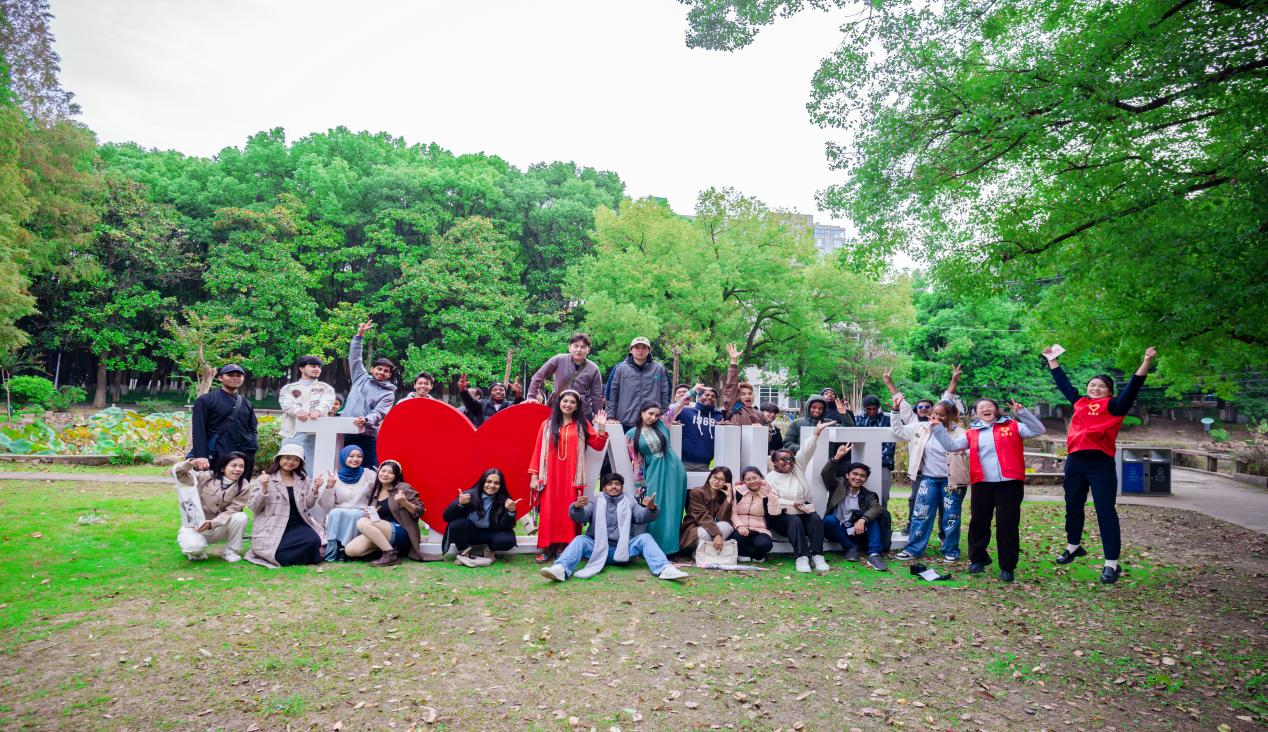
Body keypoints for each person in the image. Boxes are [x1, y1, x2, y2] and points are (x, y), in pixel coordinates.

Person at [1046, 346, 1156, 584]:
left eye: (1101, 386)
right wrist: (1052, 360)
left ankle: (1111, 564)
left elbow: (1134, 386)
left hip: (1100, 464)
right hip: (1075, 461)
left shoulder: (1115, 405)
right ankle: (1073, 546)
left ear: (1109, 391)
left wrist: (1146, 360)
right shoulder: (1079, 402)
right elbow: (1063, 384)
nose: (1095, 388)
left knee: (1105, 512)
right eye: (1092, 385)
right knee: (1073, 505)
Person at [930, 398, 1046, 582]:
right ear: (976, 413)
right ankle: (978, 559)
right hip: (982, 483)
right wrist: (937, 429)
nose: (985, 409)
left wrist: (1022, 413)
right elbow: (951, 446)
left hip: (1009, 483)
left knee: (1007, 525)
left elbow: (1039, 430)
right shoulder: (972, 432)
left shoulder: (1013, 426)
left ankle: (1007, 566)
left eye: (989, 406)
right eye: (981, 407)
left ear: (996, 409)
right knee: (979, 522)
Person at [539, 474, 688, 582]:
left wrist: (651, 508)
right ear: (604, 488)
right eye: (610, 484)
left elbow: (642, 516)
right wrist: (577, 507)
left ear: (622, 487)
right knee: (580, 539)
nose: (614, 486)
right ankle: (561, 569)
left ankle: (664, 569)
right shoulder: (595, 502)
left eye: (617, 484)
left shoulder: (630, 502)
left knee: (645, 538)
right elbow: (580, 517)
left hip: (623, 550)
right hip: (597, 548)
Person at [528, 389, 610, 563]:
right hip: (550, 476)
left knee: (569, 512)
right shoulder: (547, 425)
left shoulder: (581, 425)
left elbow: (598, 445)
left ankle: (565, 548)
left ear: (577, 406)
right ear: (559, 403)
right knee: (549, 512)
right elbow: (537, 450)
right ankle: (548, 548)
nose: (568, 404)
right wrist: (534, 476)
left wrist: (602, 426)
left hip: (572, 477)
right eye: (565, 401)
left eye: (572, 402)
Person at [891, 400, 968, 562]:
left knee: (951, 516)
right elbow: (898, 430)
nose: (937, 418)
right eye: (935, 414)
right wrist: (896, 411)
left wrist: (965, 454)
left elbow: (968, 451)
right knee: (921, 514)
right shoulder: (921, 427)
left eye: (942, 415)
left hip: (952, 481)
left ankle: (951, 550)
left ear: (951, 416)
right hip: (928, 478)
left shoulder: (961, 433)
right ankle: (913, 549)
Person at [245, 444, 333, 568]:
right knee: (277, 555)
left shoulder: (302, 479)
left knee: (314, 541)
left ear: (300, 463)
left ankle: (296, 556)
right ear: (279, 458)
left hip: (297, 523)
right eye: (287, 458)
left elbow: (307, 505)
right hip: (273, 524)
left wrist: (315, 488)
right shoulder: (265, 478)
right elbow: (254, 507)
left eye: (296, 459)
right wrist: (264, 488)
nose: (291, 462)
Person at [767, 420, 834, 573]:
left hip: (802, 509)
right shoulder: (770, 478)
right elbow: (773, 500)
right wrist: (792, 503)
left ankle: (817, 555)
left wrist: (816, 433)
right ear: (774, 463)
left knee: (816, 519)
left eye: (790, 459)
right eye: (783, 460)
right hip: (781, 515)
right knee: (795, 520)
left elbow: (806, 451)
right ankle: (802, 557)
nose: (788, 462)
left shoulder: (797, 468)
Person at [627, 401, 689, 554]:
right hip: (653, 470)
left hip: (674, 469)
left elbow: (676, 407)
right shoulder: (631, 434)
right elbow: (637, 461)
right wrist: (639, 484)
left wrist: (693, 392)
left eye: (656, 415)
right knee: (655, 505)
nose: (653, 417)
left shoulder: (662, 423)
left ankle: (671, 549)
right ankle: (653, 548)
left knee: (673, 507)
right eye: (650, 414)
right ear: (642, 412)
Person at [344, 460, 425, 567]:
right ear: (378, 472)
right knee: (350, 550)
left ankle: (390, 554)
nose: (385, 474)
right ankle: (388, 551)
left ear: (396, 476)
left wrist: (404, 502)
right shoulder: (376, 490)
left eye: (391, 473)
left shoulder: (403, 488)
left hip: (402, 533)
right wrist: (367, 514)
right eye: (383, 471)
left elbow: (420, 511)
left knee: (362, 522)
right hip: (382, 532)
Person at [173, 452, 250, 563]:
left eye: (241, 466)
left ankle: (231, 551)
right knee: (194, 550)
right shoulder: (206, 477)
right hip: (196, 526)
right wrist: (192, 463)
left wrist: (212, 523)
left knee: (240, 517)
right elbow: (177, 474)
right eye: (234, 465)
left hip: (219, 527)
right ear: (223, 468)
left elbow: (233, 510)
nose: (238, 469)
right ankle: (196, 550)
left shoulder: (243, 485)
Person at [820, 450, 888, 571]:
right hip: (837, 530)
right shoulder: (837, 485)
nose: (858, 478)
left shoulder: (868, 494)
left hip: (856, 531)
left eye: (862, 476)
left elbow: (877, 507)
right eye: (855, 474)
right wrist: (836, 458)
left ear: (865, 479)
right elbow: (826, 474)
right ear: (847, 475)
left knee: (872, 519)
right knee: (829, 520)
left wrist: (863, 520)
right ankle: (850, 548)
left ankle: (874, 555)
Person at [342, 320, 397, 466]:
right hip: (345, 430)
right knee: (343, 466)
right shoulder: (360, 377)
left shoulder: (389, 393)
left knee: (369, 469)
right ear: (372, 369)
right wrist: (359, 335)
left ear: (389, 375)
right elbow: (355, 358)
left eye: (386, 371)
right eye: (379, 369)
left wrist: (366, 420)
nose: (381, 372)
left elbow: (379, 412)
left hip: (367, 435)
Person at [189, 363, 259, 478]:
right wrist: (201, 455)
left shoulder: (246, 403)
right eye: (230, 375)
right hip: (219, 454)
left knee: (242, 487)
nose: (235, 378)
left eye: (238, 375)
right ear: (220, 378)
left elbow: (253, 427)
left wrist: (253, 445)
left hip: (244, 455)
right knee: (216, 487)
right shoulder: (206, 400)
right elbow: (198, 430)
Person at [442, 468, 520, 566]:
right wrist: (459, 503)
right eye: (489, 481)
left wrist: (511, 512)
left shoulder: (505, 500)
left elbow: (505, 527)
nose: (492, 485)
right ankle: (464, 551)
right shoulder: (469, 495)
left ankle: (488, 550)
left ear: (501, 485)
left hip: (491, 533)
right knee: (456, 524)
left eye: (496, 483)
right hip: (470, 533)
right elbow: (446, 517)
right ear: (483, 482)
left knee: (508, 540)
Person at [527, 333, 605, 418]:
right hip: (558, 408)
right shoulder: (559, 359)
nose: (579, 350)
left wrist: (598, 415)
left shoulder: (593, 369)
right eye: (576, 346)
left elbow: (596, 395)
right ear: (569, 347)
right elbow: (538, 376)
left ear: (588, 350)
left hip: (581, 412)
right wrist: (531, 396)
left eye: (583, 347)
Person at [278, 355, 336, 470]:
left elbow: (326, 404)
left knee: (312, 469)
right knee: (287, 467)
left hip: (316, 435)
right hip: (292, 433)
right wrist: (297, 411)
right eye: (313, 366)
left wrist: (318, 411)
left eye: (319, 367)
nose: (317, 369)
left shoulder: (326, 388)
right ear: (301, 368)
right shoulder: (288, 388)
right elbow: (286, 404)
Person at [322, 445, 375, 561]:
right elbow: (326, 505)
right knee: (335, 513)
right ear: (344, 457)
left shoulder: (369, 475)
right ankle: (335, 549)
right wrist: (329, 486)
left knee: (354, 514)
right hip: (338, 513)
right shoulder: (334, 477)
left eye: (359, 456)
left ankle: (346, 549)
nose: (355, 459)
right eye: (351, 456)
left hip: (361, 512)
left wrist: (371, 511)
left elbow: (376, 496)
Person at [609, 337, 672, 434]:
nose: (640, 350)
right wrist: (611, 416)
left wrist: (664, 415)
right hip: (626, 421)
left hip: (652, 421)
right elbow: (611, 394)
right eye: (637, 347)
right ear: (631, 350)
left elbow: (666, 394)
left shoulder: (659, 369)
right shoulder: (620, 369)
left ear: (649, 350)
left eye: (644, 348)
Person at [679, 467, 735, 554]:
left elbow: (721, 519)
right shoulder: (696, 492)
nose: (716, 481)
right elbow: (702, 516)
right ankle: (700, 551)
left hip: (710, 527)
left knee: (726, 526)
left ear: (726, 483)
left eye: (721, 479)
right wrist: (716, 534)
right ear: (710, 478)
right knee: (705, 533)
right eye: (714, 477)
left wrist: (728, 498)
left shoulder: (722, 497)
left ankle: (703, 552)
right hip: (694, 530)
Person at [852, 395, 895, 504]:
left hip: (883, 461)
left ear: (878, 407)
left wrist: (896, 413)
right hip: (861, 460)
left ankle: (882, 514)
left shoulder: (888, 419)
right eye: (868, 409)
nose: (872, 411)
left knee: (883, 495)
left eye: (874, 408)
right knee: (859, 495)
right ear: (864, 408)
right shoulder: (857, 419)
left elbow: (902, 428)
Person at [674, 382, 725, 472]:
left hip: (705, 464)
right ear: (700, 397)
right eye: (707, 395)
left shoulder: (718, 416)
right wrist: (692, 391)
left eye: (713, 396)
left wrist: (722, 427)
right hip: (683, 463)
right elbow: (671, 412)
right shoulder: (685, 412)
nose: (710, 397)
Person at [732, 467, 777, 562]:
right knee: (737, 538)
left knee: (765, 544)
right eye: (748, 479)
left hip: (760, 529)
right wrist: (739, 525)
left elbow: (774, 512)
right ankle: (744, 553)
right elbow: (732, 512)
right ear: (744, 481)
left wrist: (770, 494)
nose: (752, 481)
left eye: (755, 478)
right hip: (741, 527)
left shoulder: (767, 493)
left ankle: (758, 555)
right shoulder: (737, 491)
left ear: (761, 478)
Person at [720, 344, 767, 426]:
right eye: (743, 394)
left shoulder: (760, 414)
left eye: (750, 393)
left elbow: (767, 431)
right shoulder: (734, 407)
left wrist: (761, 429)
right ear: (738, 396)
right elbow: (731, 386)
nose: (747, 396)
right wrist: (733, 361)